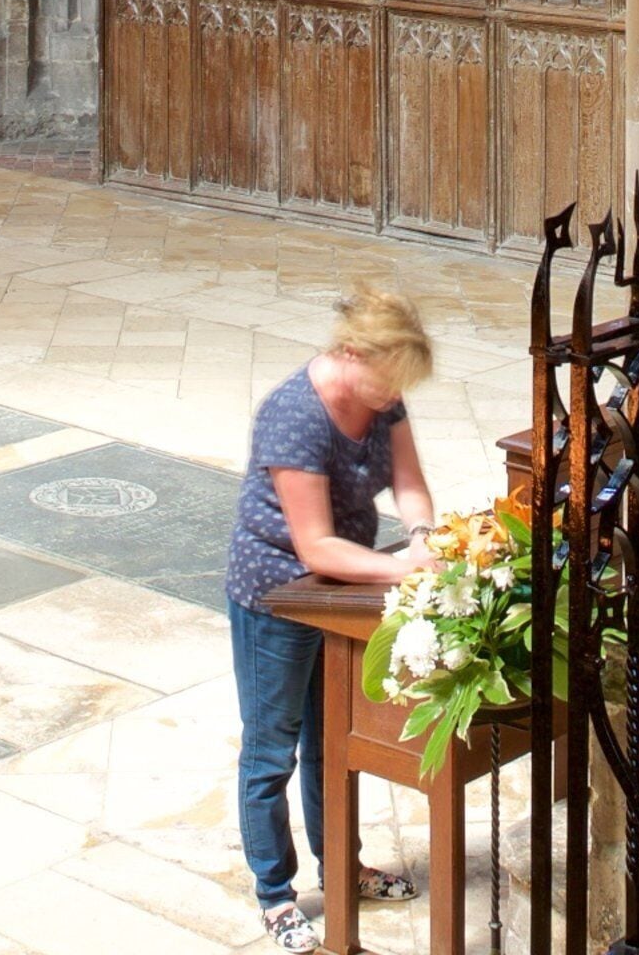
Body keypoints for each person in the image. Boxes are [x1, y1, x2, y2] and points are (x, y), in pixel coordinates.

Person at [227, 284, 438, 953]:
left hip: (343, 585)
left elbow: (407, 481)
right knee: (272, 748)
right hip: (279, 591)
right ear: (351, 354)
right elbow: (313, 544)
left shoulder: (384, 391)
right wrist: (404, 569)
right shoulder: (294, 415)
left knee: (333, 741)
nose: (390, 398)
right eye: (386, 384)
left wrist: (424, 533)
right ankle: (277, 896)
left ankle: (342, 864)